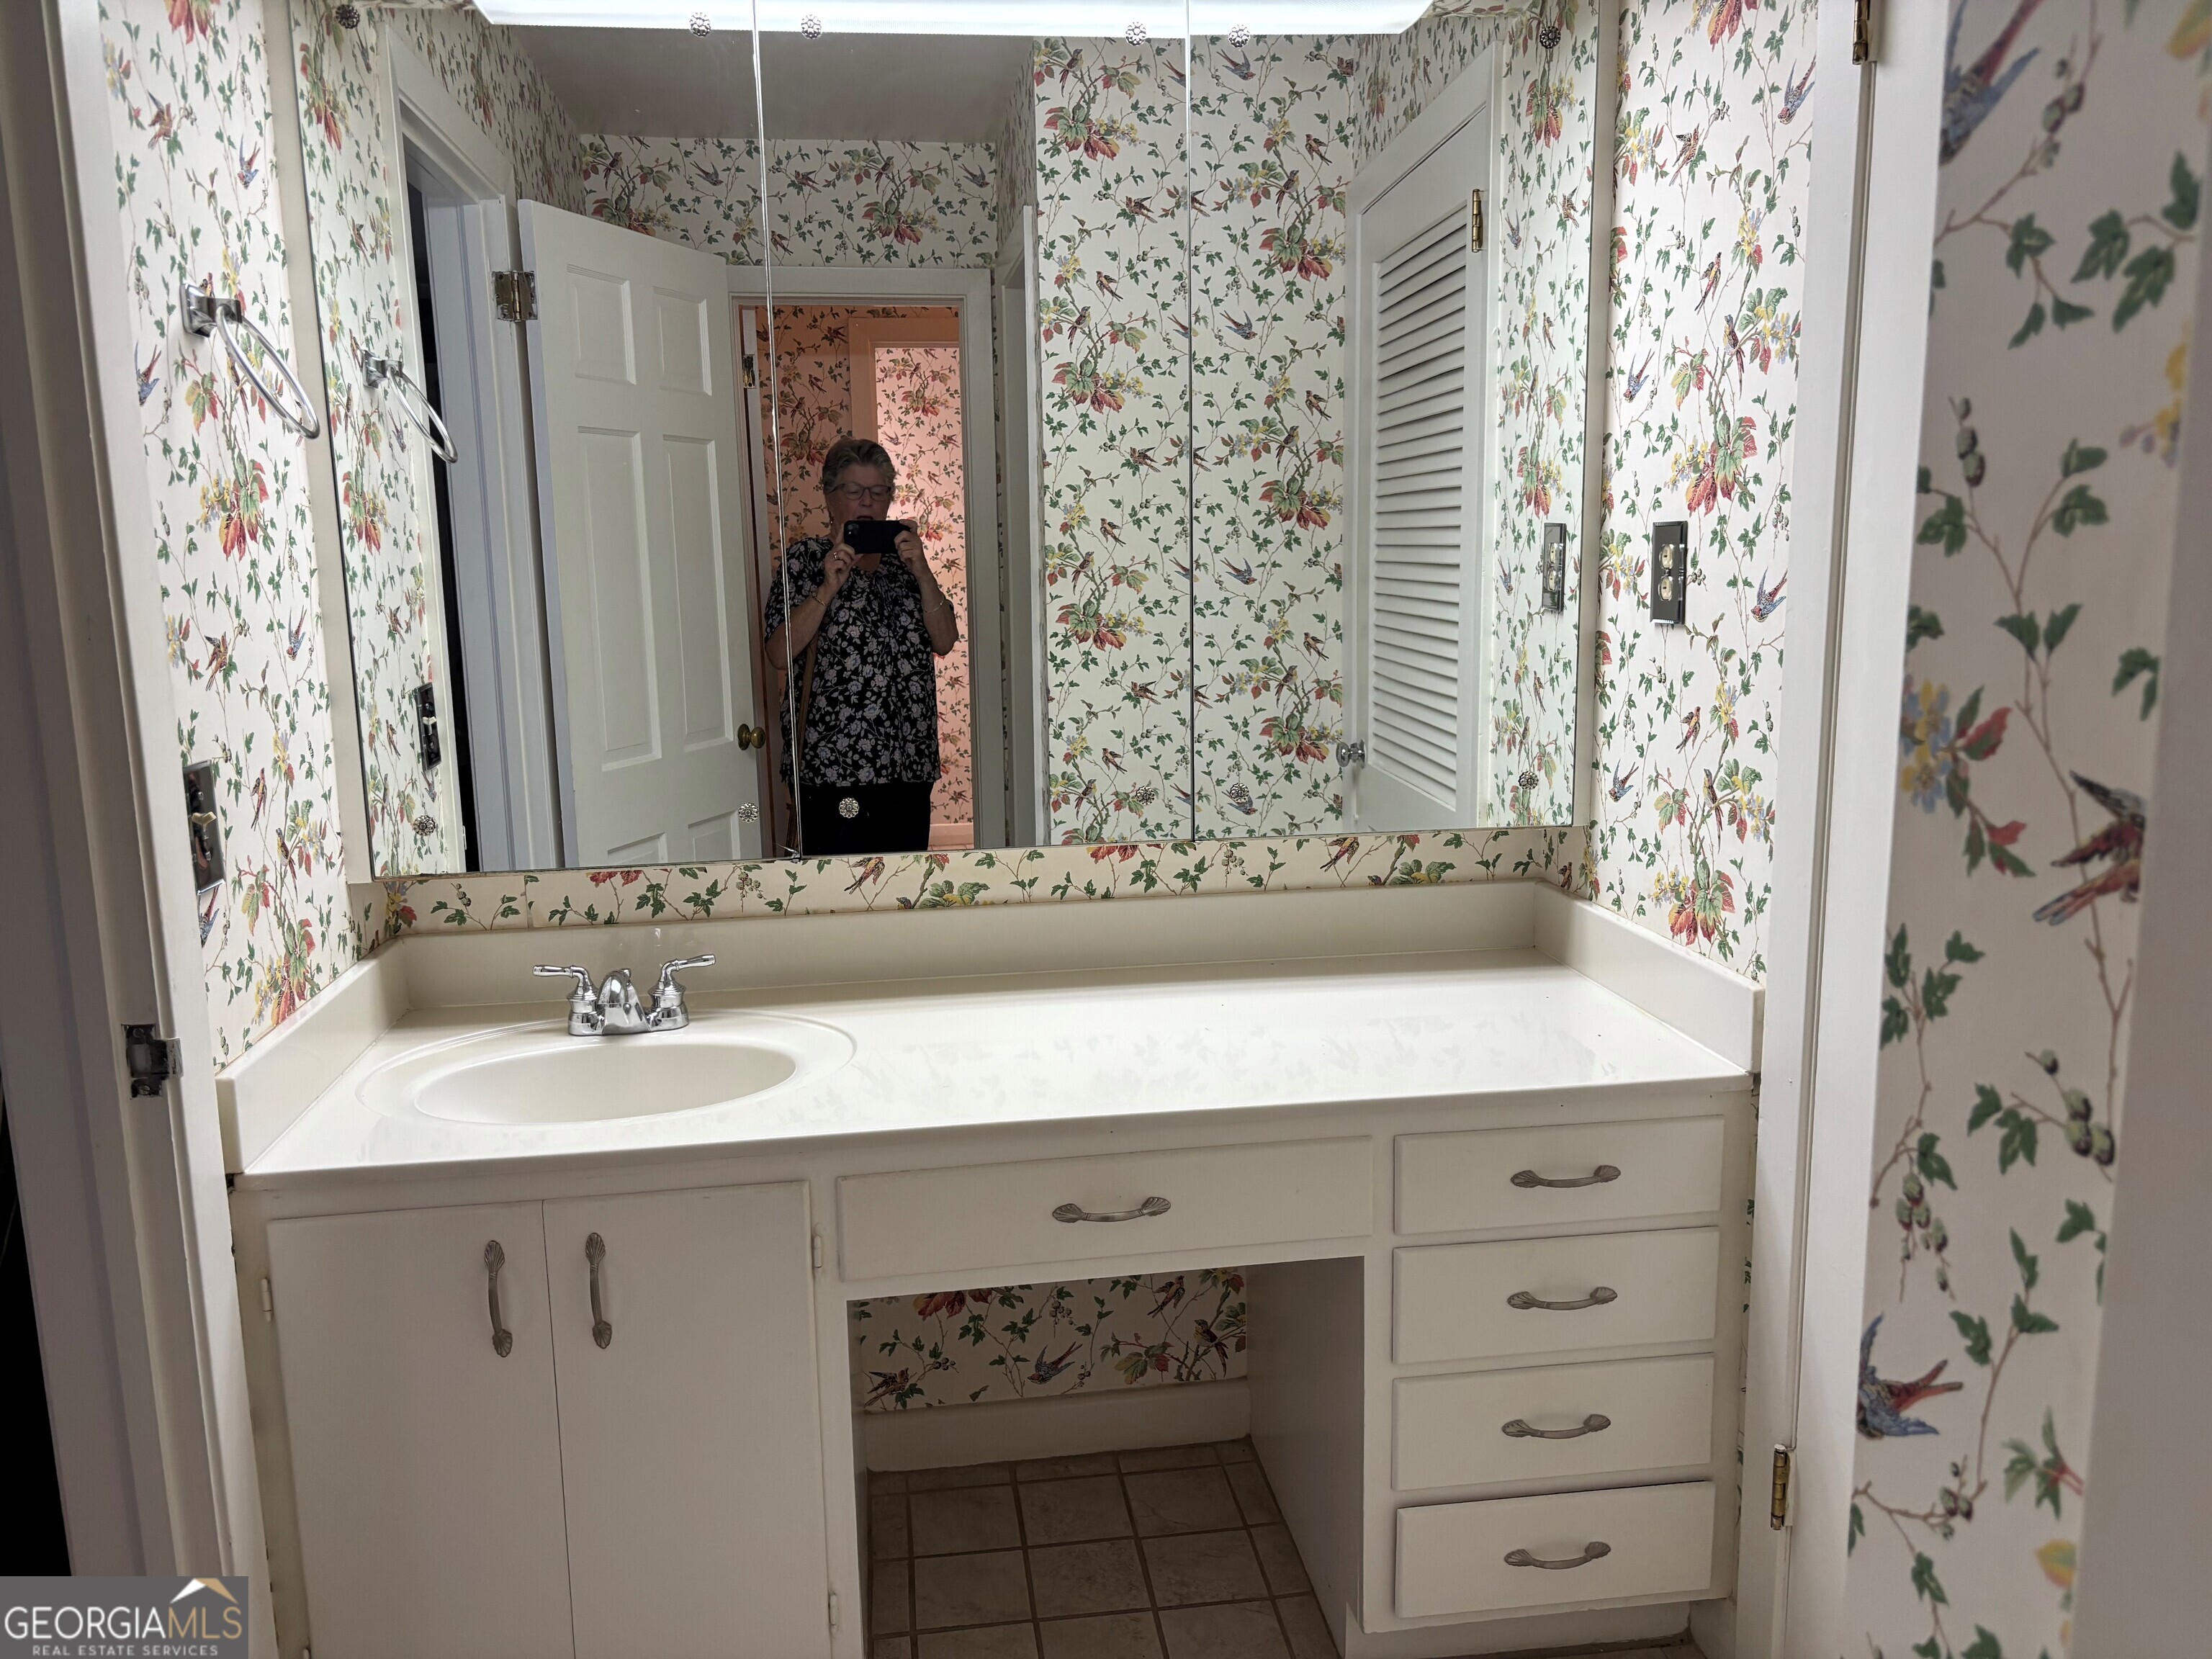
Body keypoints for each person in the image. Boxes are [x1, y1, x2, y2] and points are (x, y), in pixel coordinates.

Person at [763, 436, 960, 855]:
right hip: (835, 771)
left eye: (879, 491)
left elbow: (945, 640)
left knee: (904, 890)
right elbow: (779, 654)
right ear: (830, 497)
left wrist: (924, 575)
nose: (868, 502)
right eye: (855, 491)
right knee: (839, 893)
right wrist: (827, 588)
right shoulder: (804, 562)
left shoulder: (907, 567)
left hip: (909, 768)